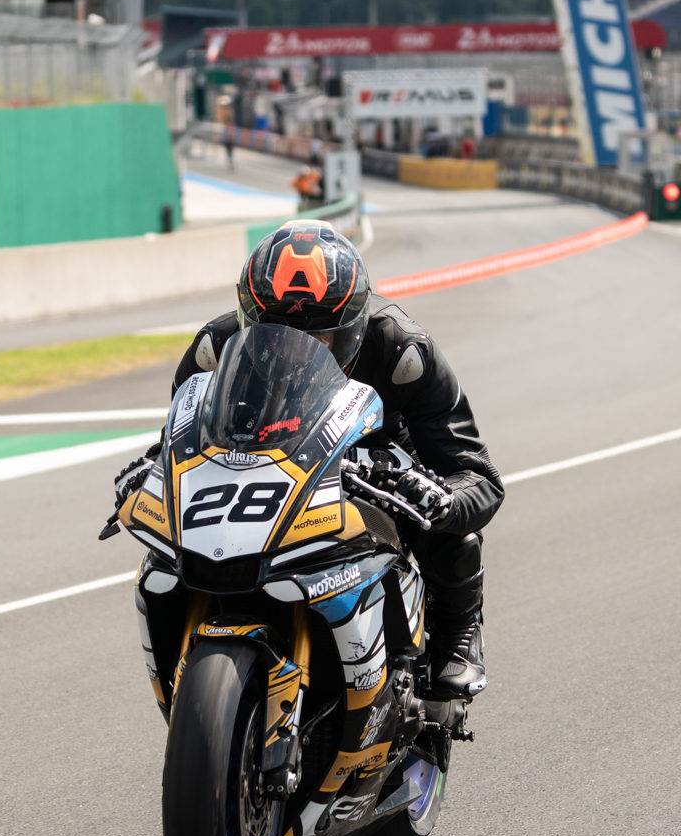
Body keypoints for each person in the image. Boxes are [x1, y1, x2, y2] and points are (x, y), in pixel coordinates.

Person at [117, 221, 499, 697]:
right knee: (163, 560)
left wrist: (440, 497)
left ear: (355, 325)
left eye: (321, 338)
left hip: (377, 471)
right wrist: (152, 467)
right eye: (272, 333)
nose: (293, 353)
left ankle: (457, 640)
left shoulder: (404, 351)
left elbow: (477, 473)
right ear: (247, 318)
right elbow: (184, 438)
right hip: (264, 472)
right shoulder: (214, 349)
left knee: (452, 532)